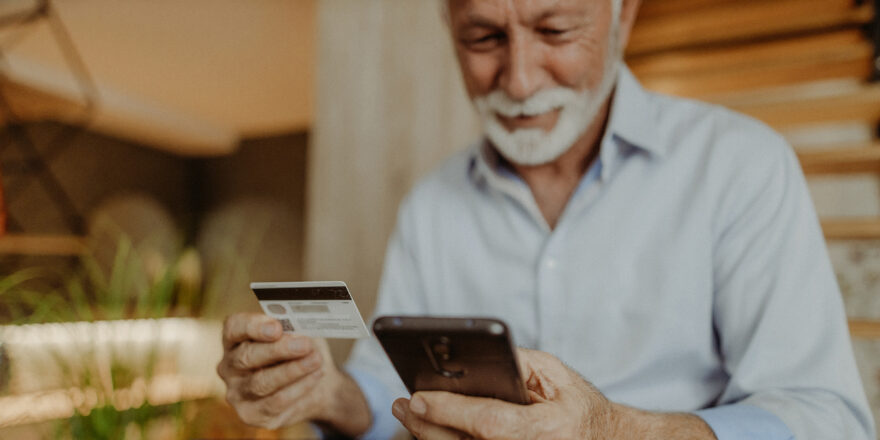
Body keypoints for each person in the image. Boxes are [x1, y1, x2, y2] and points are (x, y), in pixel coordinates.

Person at [216, 0, 876, 438]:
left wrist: (611, 429)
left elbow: (825, 420)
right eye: (483, 37)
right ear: (448, 25)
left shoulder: (741, 166)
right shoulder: (431, 204)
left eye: (556, 31)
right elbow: (389, 392)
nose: (521, 79)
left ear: (623, 16)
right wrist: (326, 396)